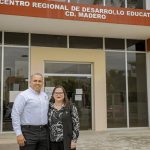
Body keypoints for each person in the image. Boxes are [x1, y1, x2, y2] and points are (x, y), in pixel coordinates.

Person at [11, 73, 49, 150]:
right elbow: (15, 114)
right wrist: (18, 134)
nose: (37, 83)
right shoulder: (23, 95)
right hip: (28, 132)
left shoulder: (45, 95)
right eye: (35, 81)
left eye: (40, 81)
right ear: (30, 82)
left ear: (42, 83)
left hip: (44, 132)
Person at [48, 85, 80, 150]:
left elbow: (76, 124)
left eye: (60, 93)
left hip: (66, 142)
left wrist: (74, 140)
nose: (58, 95)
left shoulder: (71, 106)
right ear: (53, 95)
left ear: (64, 94)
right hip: (52, 142)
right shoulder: (49, 107)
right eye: (56, 93)